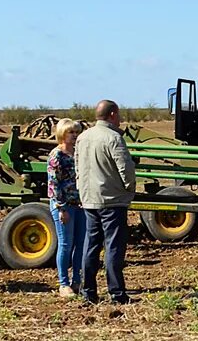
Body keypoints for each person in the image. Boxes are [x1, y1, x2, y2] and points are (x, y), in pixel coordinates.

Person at [75, 99, 137, 308]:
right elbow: (126, 169)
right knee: (113, 246)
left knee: (91, 245)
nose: (120, 119)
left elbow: (77, 166)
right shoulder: (113, 138)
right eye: (118, 114)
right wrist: (129, 189)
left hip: (89, 200)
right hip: (111, 200)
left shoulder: (82, 137)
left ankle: (88, 292)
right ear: (112, 114)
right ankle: (117, 293)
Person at [46, 119, 85, 298]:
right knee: (65, 243)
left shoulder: (78, 153)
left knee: (80, 243)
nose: (75, 135)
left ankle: (78, 280)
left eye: (76, 132)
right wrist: (61, 208)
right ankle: (63, 283)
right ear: (63, 134)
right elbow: (54, 184)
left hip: (80, 204)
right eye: (71, 132)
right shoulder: (56, 155)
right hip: (64, 206)